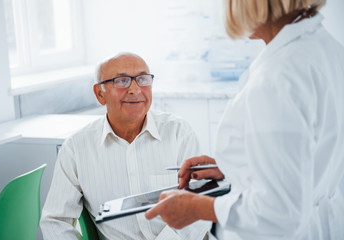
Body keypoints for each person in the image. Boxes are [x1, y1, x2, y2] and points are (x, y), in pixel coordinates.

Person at [145, 0, 344, 239]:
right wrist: (239, 166)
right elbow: (312, 154)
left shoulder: (277, 78)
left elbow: (280, 213)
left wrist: (196, 207)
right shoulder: (324, 47)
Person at [40, 53, 210, 239]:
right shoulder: (76, 148)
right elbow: (56, 220)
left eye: (143, 79)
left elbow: (198, 206)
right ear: (99, 94)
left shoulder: (178, 132)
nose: (135, 89)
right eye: (122, 81)